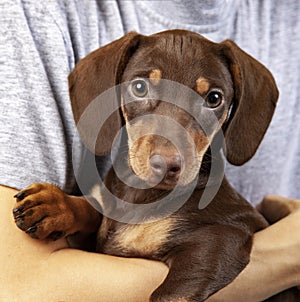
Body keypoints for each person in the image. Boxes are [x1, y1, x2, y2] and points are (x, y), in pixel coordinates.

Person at [0, 0, 299, 300]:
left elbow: (213, 245)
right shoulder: (38, 13)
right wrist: (80, 211)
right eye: (140, 89)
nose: (168, 155)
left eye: (211, 100)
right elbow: (21, 285)